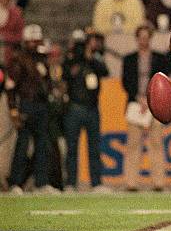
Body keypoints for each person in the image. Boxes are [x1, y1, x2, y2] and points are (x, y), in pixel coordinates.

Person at [6, 24, 58, 193]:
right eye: (32, 41)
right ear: (26, 41)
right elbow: (11, 87)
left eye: (37, 41)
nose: (35, 45)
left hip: (42, 106)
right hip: (27, 105)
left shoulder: (42, 59)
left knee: (42, 145)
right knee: (22, 145)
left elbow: (48, 84)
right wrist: (13, 108)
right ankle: (15, 183)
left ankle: (41, 182)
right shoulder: (19, 60)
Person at [122, 25, 171, 191]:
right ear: (137, 38)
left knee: (156, 143)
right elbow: (126, 82)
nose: (143, 40)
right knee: (133, 144)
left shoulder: (160, 58)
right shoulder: (129, 59)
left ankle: (158, 183)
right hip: (135, 104)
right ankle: (131, 183)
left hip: (155, 105)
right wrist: (139, 97)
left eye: (146, 37)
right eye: (140, 37)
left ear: (150, 38)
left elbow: (164, 81)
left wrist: (150, 99)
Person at [62, 30, 109, 192]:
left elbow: (105, 71)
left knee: (94, 148)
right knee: (72, 148)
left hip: (92, 108)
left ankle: (96, 182)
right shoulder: (71, 58)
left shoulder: (94, 58)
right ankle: (70, 183)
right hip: (75, 107)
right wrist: (77, 56)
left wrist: (90, 58)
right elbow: (66, 75)